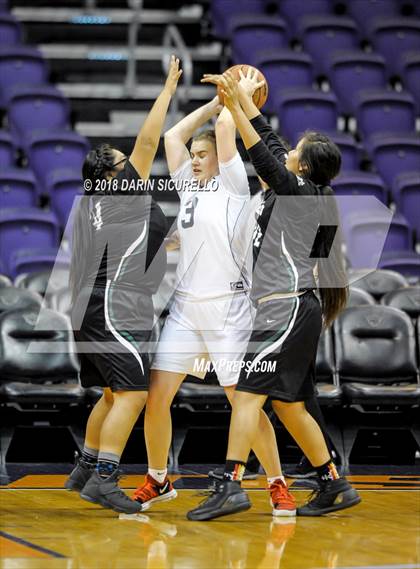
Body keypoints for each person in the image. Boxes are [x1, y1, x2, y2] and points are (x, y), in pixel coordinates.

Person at [187, 70, 361, 520]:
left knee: (247, 395)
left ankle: (229, 484)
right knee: (289, 403)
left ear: (301, 167)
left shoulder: (299, 193)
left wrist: (239, 103)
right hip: (292, 308)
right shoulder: (304, 188)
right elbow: (267, 140)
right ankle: (333, 483)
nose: (288, 154)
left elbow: (262, 153)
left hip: (285, 307)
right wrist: (241, 100)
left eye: (295, 153)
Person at [133, 89, 296, 516]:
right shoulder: (188, 185)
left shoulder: (234, 185)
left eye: (203, 153)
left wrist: (234, 97)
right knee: (156, 396)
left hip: (229, 308)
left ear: (221, 159)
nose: (196, 158)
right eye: (195, 155)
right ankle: (157, 478)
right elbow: (171, 137)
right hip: (186, 308)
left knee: (242, 402)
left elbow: (226, 130)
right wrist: (208, 106)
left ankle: (277, 482)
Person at [64, 56, 182, 514]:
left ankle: (86, 467)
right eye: (124, 162)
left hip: (91, 308)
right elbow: (149, 140)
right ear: (112, 174)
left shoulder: (90, 205)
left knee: (113, 395)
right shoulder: (117, 191)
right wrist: (167, 92)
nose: (134, 165)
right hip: (112, 308)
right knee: (133, 394)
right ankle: (105, 479)